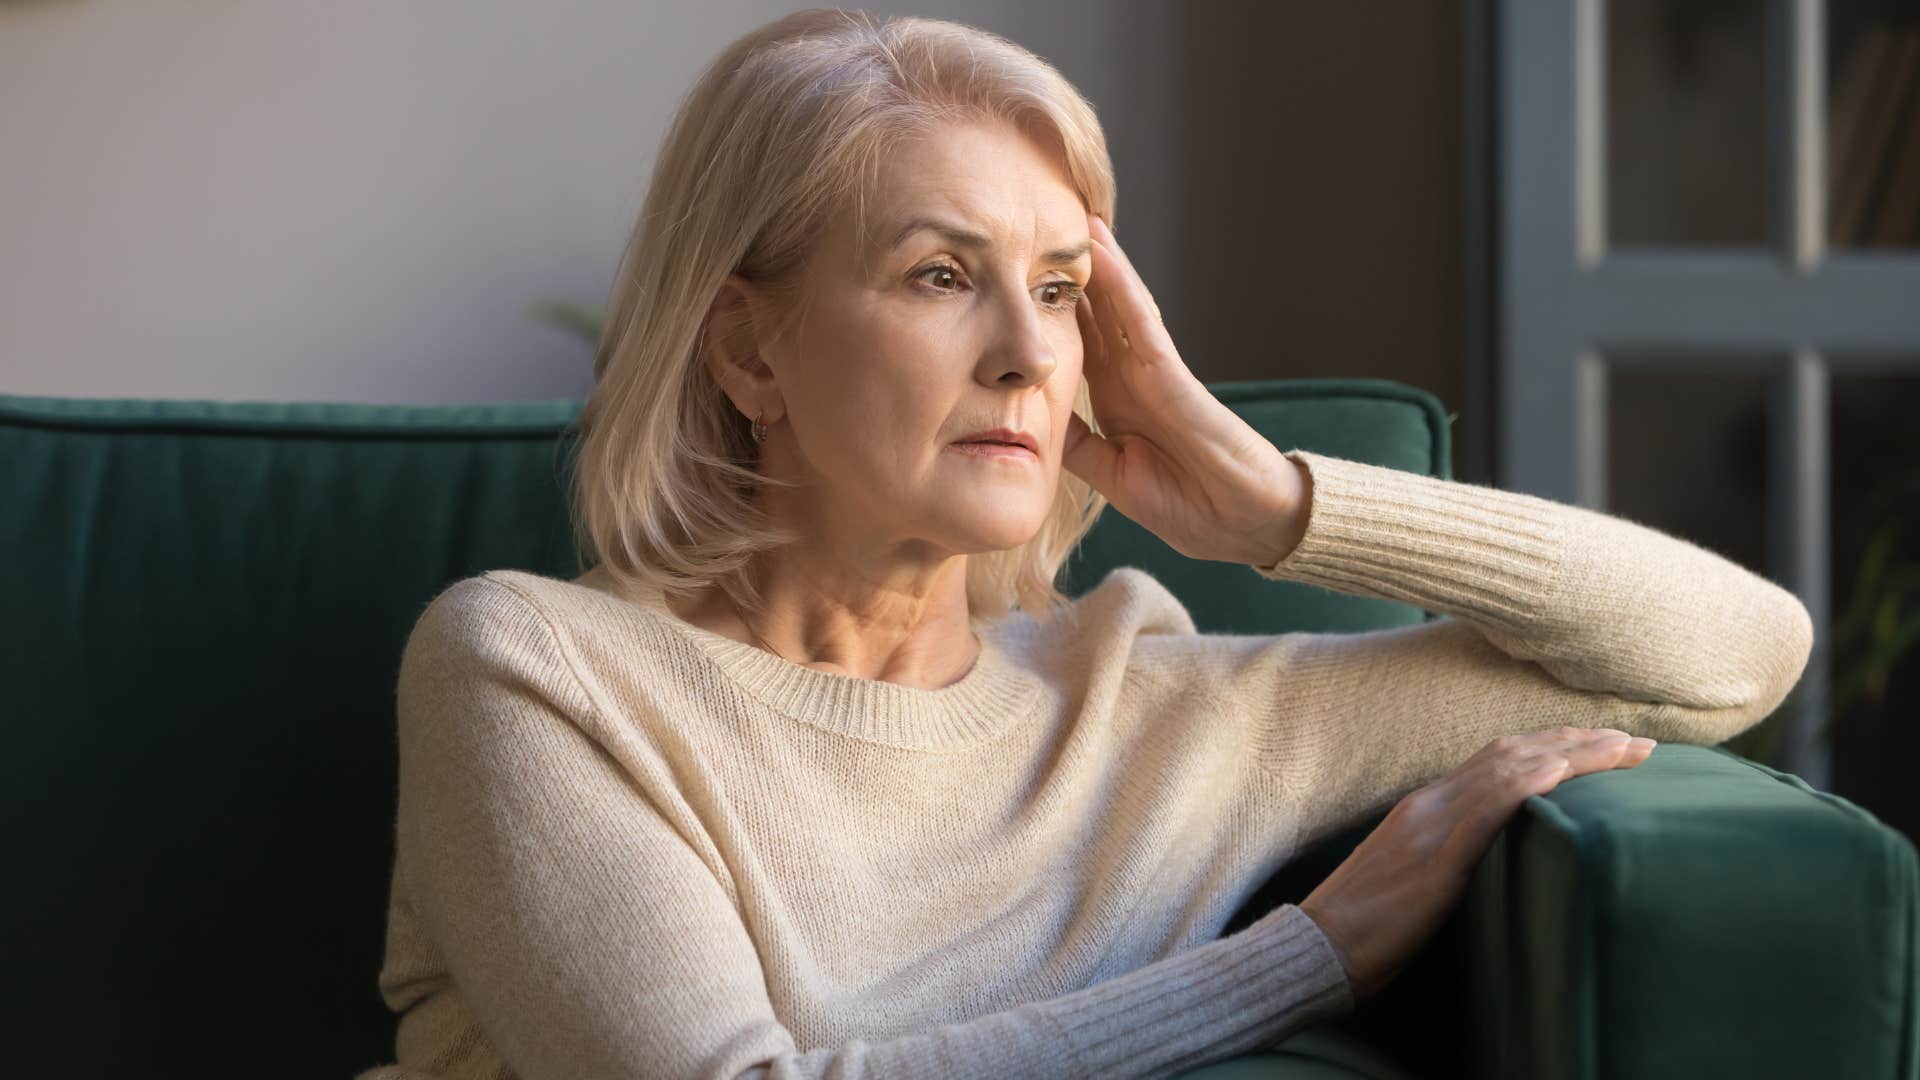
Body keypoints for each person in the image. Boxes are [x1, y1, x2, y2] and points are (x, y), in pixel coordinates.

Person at [356, 8, 1814, 1079]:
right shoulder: (535, 671)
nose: (1023, 356)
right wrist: (1314, 954)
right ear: (747, 349)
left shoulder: (1145, 706)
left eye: (1058, 291)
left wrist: (1282, 506)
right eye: (941, 274)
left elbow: (1738, 653)